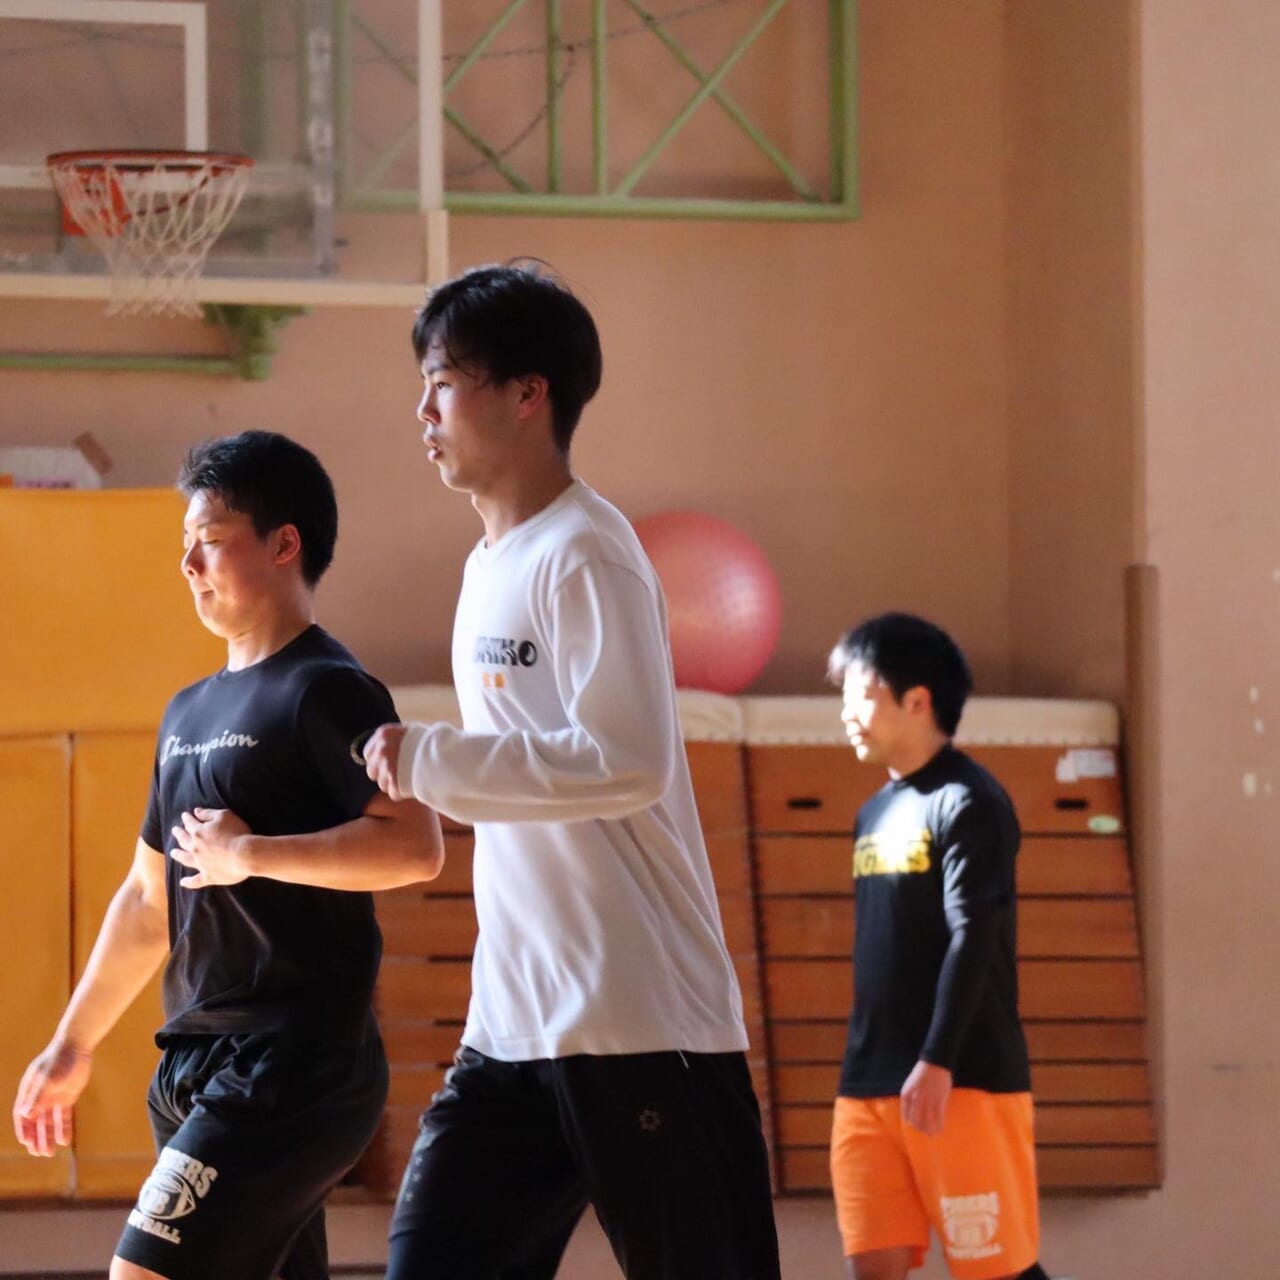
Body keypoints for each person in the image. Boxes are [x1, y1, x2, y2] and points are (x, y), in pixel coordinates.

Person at [360, 262, 780, 1279]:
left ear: (526, 393)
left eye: (443, 381)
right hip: (510, 1027)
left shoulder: (588, 550)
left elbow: (624, 760)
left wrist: (431, 757)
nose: (423, 410)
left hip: (640, 1023)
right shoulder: (486, 566)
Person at [12, 430, 444, 1280]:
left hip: (295, 1064)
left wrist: (253, 852)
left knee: (144, 1273)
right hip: (193, 1064)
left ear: (284, 544)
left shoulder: (330, 688)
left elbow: (413, 845)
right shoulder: (187, 711)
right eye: (185, 544)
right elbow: (149, 902)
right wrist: (72, 1043)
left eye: (209, 541)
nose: (188, 566)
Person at [826, 613, 1046, 1280]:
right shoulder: (873, 812)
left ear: (917, 700)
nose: (846, 713)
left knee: (996, 1272)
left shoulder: (969, 801)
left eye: (861, 695)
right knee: (874, 1268)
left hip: (959, 1080)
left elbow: (974, 933)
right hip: (869, 1086)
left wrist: (937, 1058)